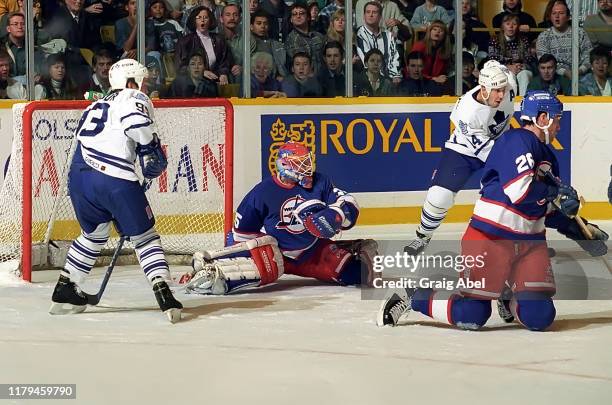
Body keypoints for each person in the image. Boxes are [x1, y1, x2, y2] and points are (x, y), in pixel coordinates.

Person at [377, 90, 609, 330]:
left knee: (540, 317)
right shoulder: (516, 140)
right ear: (542, 118)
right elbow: (519, 192)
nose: (560, 124)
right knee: (472, 315)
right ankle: (414, 295)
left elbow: (544, 209)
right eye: (557, 117)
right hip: (490, 239)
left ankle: (507, 297)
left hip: (530, 245)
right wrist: (553, 193)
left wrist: (578, 229)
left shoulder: (549, 156)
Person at [49, 59, 183, 324]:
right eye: (142, 82)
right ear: (131, 82)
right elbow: (136, 126)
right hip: (113, 178)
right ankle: (164, 293)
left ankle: (66, 285)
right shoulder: (133, 97)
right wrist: (149, 147)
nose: (145, 88)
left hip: (79, 178)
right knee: (145, 237)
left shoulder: (95, 104)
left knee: (94, 233)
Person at [178, 141, 378, 295]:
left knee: (360, 274)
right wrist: (230, 260)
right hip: (276, 254)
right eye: (300, 164)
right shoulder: (262, 193)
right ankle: (206, 269)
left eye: (307, 161)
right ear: (285, 165)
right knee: (244, 272)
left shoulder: (320, 182)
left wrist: (336, 215)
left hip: (313, 250)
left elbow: (348, 202)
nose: (307, 167)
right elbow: (239, 236)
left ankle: (353, 249)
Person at [405, 61, 517, 256]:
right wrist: (514, 164)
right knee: (439, 197)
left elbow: (497, 66)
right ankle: (423, 236)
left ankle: (526, 240)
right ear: (483, 89)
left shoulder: (510, 82)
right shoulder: (467, 113)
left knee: (519, 189)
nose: (501, 95)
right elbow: (489, 154)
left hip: (502, 140)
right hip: (465, 149)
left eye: (503, 89)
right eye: (496, 90)